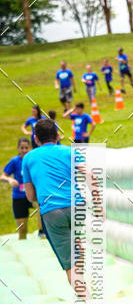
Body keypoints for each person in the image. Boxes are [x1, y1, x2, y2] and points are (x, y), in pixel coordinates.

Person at [22, 119, 85, 293]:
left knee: (70, 265)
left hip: (52, 211)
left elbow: (30, 196)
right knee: (76, 242)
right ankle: (83, 277)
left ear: (35, 138)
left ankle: (86, 300)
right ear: (58, 136)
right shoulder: (70, 151)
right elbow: (89, 173)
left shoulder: (28, 159)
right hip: (77, 206)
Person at [1, 137, 32, 240]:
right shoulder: (15, 161)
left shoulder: (33, 160)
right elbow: (3, 176)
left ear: (30, 148)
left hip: (33, 196)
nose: (24, 150)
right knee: (22, 230)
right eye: (22, 148)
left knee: (41, 210)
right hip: (19, 197)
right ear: (18, 148)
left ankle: (42, 232)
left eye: (26, 148)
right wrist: (9, 179)